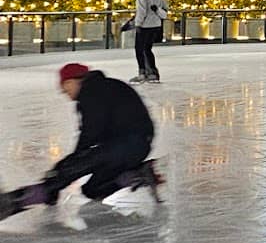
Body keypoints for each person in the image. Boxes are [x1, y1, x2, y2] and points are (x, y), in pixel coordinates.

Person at [1, 63, 160, 219]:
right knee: (92, 189)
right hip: (134, 145)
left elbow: (90, 133)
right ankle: (138, 175)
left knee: (72, 168)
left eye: (65, 88)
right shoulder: (103, 87)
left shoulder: (91, 92)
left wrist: (67, 165)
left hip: (127, 144)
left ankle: (19, 200)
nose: (65, 93)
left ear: (71, 82)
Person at [130, 0, 168, 83]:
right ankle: (153, 73)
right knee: (147, 49)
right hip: (156, 24)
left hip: (145, 25)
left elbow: (142, 10)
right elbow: (165, 6)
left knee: (139, 49)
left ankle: (142, 73)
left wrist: (138, 24)